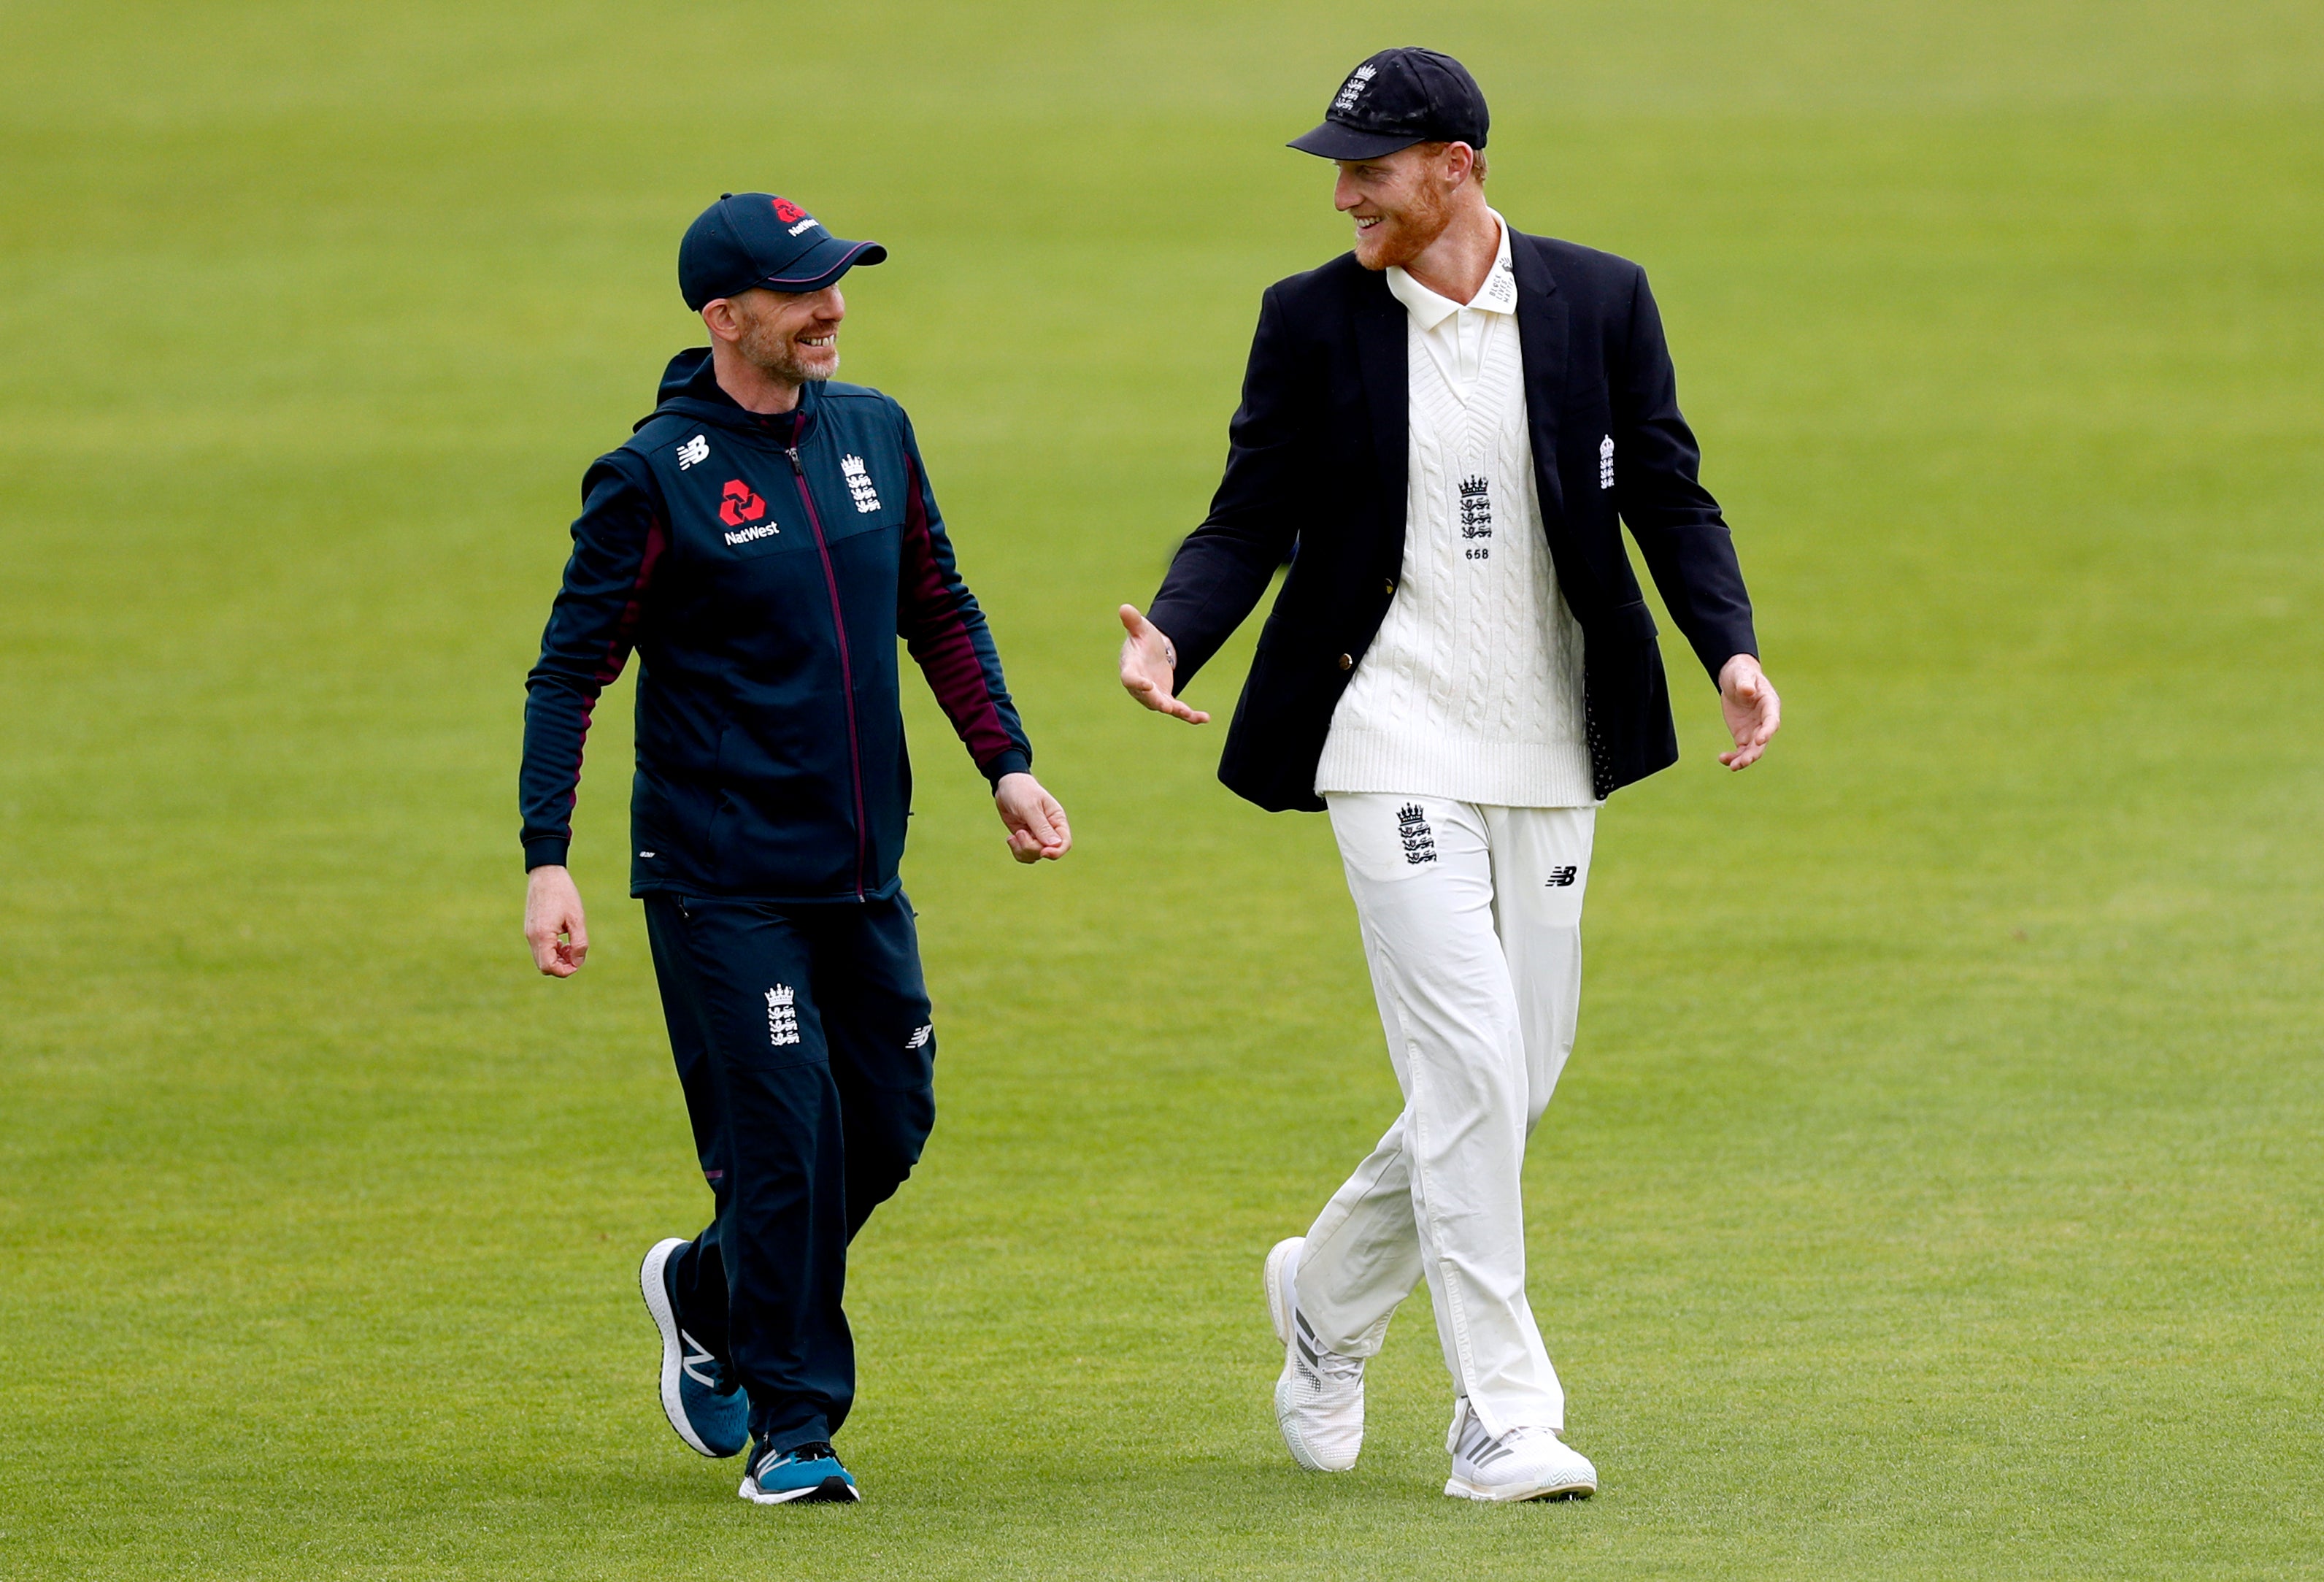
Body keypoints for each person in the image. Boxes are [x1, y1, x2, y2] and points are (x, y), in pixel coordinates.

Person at [1117, 49, 1778, 1503]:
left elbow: (1665, 485)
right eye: (1337, 166)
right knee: (1471, 1061)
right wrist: (1173, 630)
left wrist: (1725, 647)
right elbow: (1249, 512)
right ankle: (1499, 1414)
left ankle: (1326, 1300)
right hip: (1385, 731)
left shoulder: (1598, 300)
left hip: (1549, 737)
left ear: (1457, 167)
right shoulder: (1308, 320)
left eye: (1369, 163)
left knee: (1514, 1075)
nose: (1344, 189)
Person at [520, 193, 1070, 1505]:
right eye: (800, 292)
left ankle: (704, 1291)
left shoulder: (874, 430)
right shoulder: (653, 478)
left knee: (882, 1122)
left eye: (837, 283)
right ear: (725, 319)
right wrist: (549, 853)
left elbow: (934, 600)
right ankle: (795, 1426)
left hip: (864, 868)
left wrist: (1007, 762)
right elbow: (568, 673)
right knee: (780, 1141)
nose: (830, 308)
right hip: (723, 883)